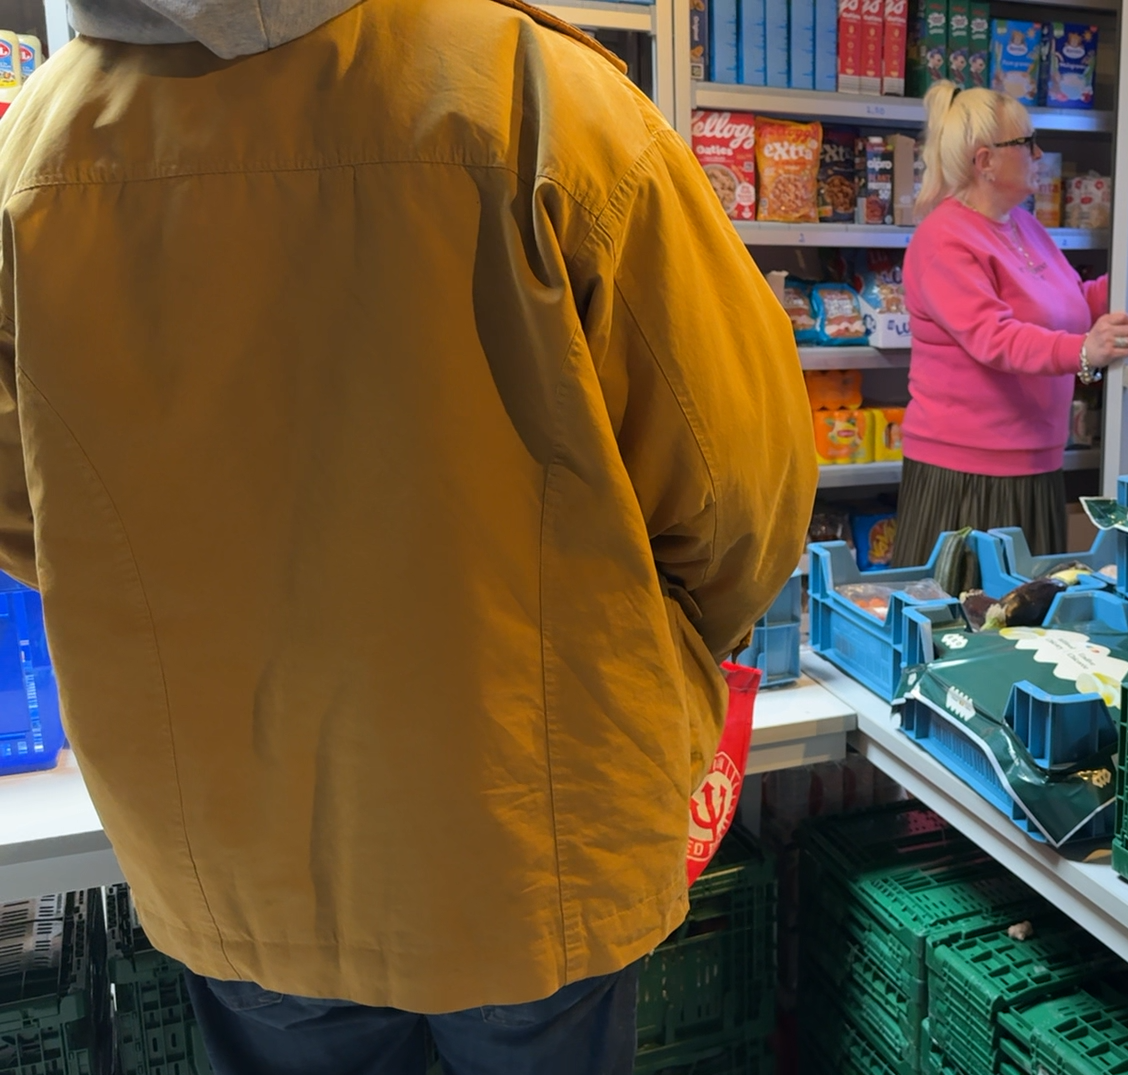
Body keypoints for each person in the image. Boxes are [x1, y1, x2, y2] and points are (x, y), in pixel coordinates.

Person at [0, 0, 814, 1071]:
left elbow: (31, 513)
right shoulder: (539, 100)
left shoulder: (33, 152)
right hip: (531, 832)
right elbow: (742, 487)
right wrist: (659, 638)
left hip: (232, 848)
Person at [893, 81, 1128, 566]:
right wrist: (1083, 351)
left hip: (1036, 461)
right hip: (968, 473)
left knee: (1029, 605)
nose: (1039, 154)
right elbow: (993, 338)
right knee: (972, 610)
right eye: (1026, 142)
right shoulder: (944, 240)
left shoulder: (1024, 225)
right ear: (985, 161)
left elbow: (1072, 305)